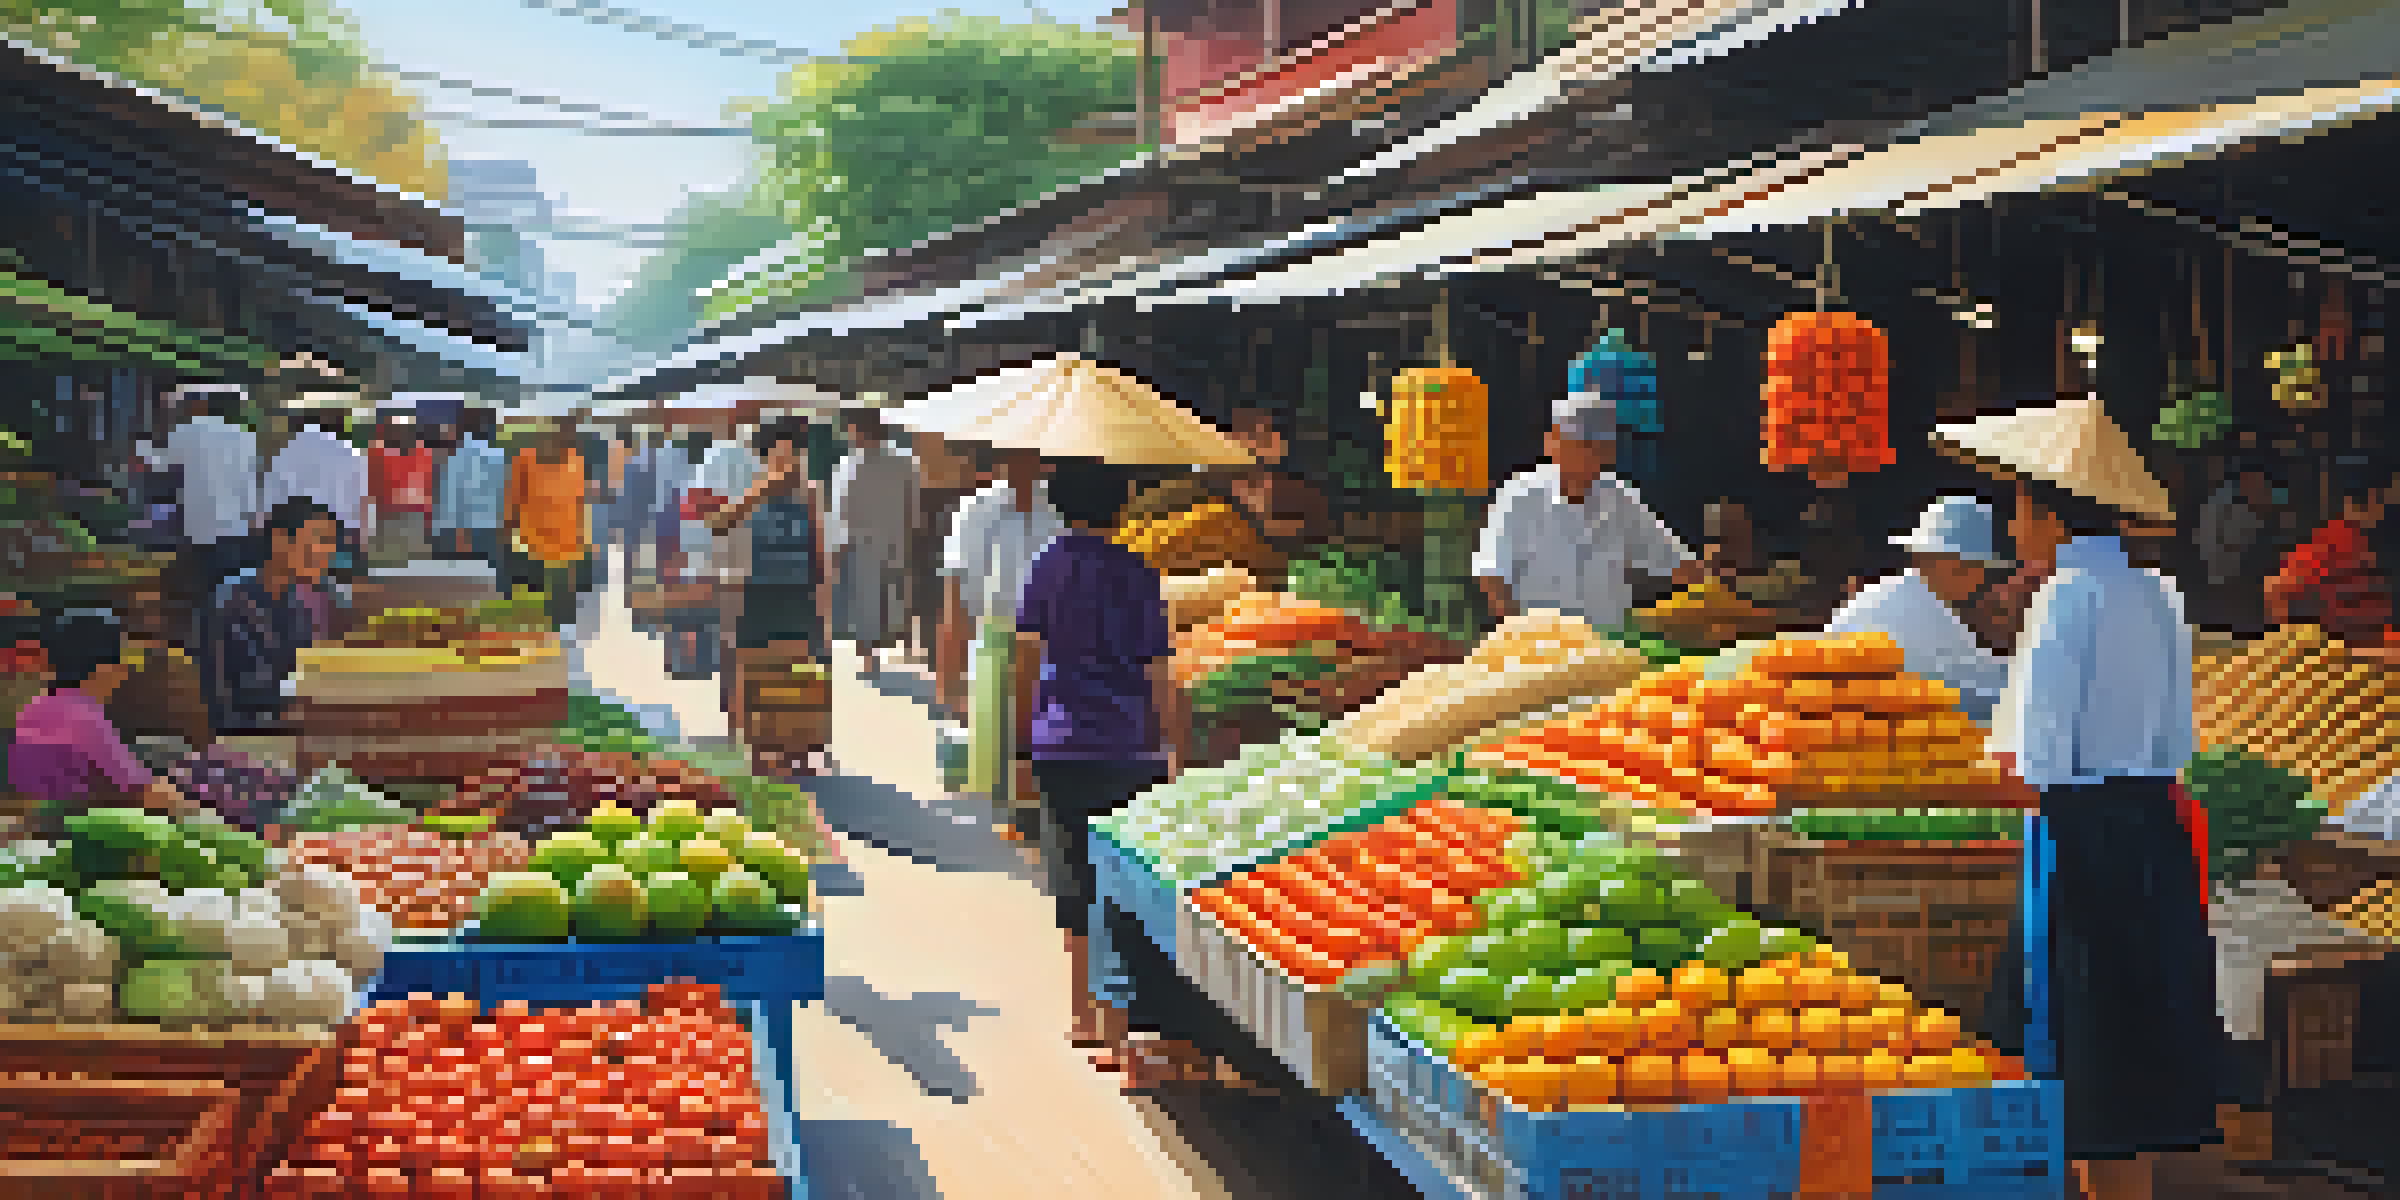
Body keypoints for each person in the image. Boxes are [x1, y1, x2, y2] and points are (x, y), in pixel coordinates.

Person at [1941, 398, 2213, 1200]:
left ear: (2048, 512)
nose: (2014, 525)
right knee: (2127, 1043)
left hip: (2080, 832)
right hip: (2152, 830)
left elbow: (2039, 757)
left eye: (2019, 505)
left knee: (2080, 1039)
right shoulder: (2159, 593)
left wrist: (1976, 785)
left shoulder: (2064, 596)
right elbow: (2175, 744)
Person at [1011, 456, 1195, 1089]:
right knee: (1121, 881)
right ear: (1123, 507)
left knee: (1071, 869)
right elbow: (1158, 670)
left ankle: (1081, 1012)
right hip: (1128, 745)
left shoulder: (1048, 566)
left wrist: (1020, 740)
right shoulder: (1138, 572)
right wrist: (1176, 747)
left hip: (1061, 742)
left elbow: (1027, 656)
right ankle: (1124, 1032)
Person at [1474, 390, 1701, 629]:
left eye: (1599, 448)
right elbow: (1492, 575)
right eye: (1582, 445)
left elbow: (1676, 561)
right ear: (1552, 444)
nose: (1591, 456)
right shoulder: (1519, 495)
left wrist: (1719, 592)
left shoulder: (1619, 498)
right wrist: (1519, 635)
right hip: (1541, 649)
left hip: (1605, 651)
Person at [942, 446, 1066, 838]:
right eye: (1014, 455)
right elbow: (955, 589)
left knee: (1043, 737)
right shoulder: (977, 510)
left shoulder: (1059, 510)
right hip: (996, 635)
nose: (1023, 464)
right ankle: (1020, 819)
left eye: (1033, 456)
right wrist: (953, 674)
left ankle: (1036, 822)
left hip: (1054, 640)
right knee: (1000, 745)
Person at [1822, 496, 2012, 722]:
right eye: (1975, 566)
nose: (1979, 579)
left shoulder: (1888, 593)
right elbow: (1991, 688)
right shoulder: (1922, 609)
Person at [8, 611, 191, 834]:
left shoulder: (32, 711)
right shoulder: (86, 719)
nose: (125, 670)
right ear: (104, 667)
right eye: (122, 659)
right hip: (84, 836)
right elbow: (145, 792)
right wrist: (201, 813)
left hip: (43, 829)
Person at [199, 497, 343, 735]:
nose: (328, 552)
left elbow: (303, 670)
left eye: (331, 543)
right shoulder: (234, 599)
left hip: (283, 721)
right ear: (279, 540)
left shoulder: (297, 598)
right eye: (319, 540)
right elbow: (248, 694)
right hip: (243, 734)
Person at [148, 386, 262, 604]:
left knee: (201, 595)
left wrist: (144, 451)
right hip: (236, 528)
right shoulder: (247, 437)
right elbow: (249, 484)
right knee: (232, 595)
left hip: (199, 527)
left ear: (207, 404)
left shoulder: (188, 430)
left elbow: (163, 466)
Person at [828, 409, 920, 678]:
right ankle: (883, 650)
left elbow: (841, 511)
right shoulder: (903, 462)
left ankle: (870, 655)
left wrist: (837, 548)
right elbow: (913, 506)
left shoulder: (849, 464)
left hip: (864, 542)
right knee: (889, 596)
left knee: (866, 601)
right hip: (890, 539)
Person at [2264, 466, 2399, 645]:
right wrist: (2287, 642)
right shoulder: (2338, 537)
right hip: (2344, 651)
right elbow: (2276, 586)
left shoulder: (2366, 539)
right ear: (2374, 498)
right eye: (2389, 498)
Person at [504, 424, 592, 632]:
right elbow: (513, 498)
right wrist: (509, 527)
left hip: (567, 541)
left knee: (562, 591)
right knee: (534, 590)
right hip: (534, 540)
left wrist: (584, 536)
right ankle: (540, 628)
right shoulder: (526, 460)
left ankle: (562, 629)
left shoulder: (575, 462)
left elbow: (580, 502)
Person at [263, 411, 367, 581]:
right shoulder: (352, 454)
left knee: (298, 580)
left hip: (299, 529)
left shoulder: (294, 446)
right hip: (339, 532)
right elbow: (360, 499)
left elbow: (275, 487)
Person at [433, 408, 509, 575]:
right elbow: (502, 498)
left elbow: (450, 500)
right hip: (488, 531)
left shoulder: (452, 455)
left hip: (456, 532)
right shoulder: (499, 456)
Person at [366, 419, 436, 568]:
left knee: (388, 559)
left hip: (390, 512)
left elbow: (374, 487)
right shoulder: (422, 452)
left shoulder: (380, 453)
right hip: (411, 513)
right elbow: (428, 488)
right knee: (414, 559)